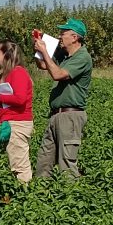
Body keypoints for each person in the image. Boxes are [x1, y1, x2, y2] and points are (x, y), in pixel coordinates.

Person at [32, 18, 93, 179]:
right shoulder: (65, 56)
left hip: (70, 116)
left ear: (75, 37)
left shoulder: (82, 57)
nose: (60, 36)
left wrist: (45, 52)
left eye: (63, 33)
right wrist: (39, 50)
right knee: (44, 162)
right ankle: (41, 196)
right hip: (56, 115)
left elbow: (58, 74)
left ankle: (72, 199)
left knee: (67, 163)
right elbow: (43, 66)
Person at [0, 40, 34, 183]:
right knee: (15, 160)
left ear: (6, 55)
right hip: (12, 122)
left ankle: (26, 195)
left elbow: (20, 98)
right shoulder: (6, 74)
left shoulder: (18, 73)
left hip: (18, 123)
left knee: (20, 165)